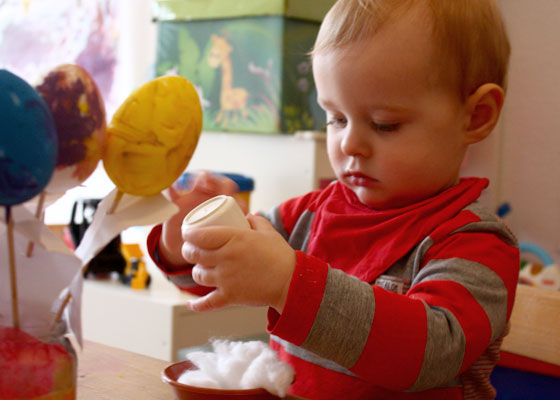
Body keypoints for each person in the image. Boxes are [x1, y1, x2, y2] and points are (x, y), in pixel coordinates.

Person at [147, 0, 519, 398]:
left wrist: (291, 283)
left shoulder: (475, 243)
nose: (350, 143)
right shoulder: (307, 215)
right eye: (336, 118)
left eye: (384, 124)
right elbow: (224, 275)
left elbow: (430, 354)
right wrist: (186, 238)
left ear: (476, 116)